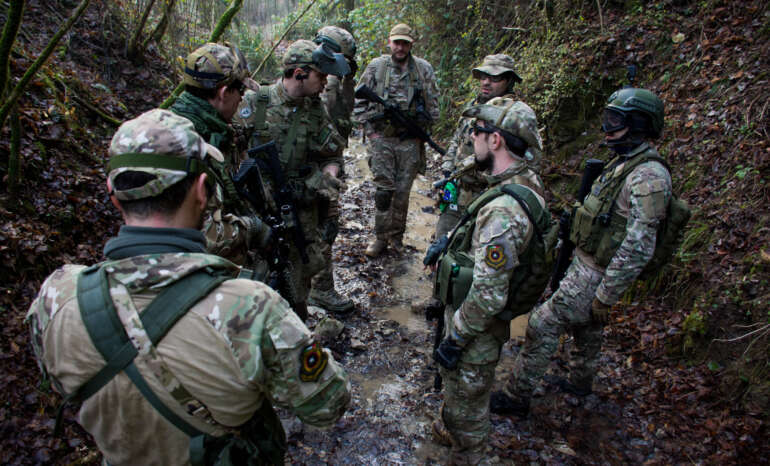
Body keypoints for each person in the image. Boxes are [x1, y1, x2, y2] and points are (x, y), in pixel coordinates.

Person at [26, 109, 351, 465]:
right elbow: (327, 406)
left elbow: (63, 386)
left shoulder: (57, 297)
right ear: (201, 191)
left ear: (114, 195)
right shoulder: (250, 307)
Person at [491, 87, 672, 416]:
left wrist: (606, 294)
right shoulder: (625, 163)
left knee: (542, 325)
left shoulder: (649, 176)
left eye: (616, 120)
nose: (608, 127)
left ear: (640, 125)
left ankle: (516, 396)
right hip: (588, 264)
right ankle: (580, 382)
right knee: (587, 328)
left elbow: (639, 246)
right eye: (608, 118)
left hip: (597, 272)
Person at [431, 97, 547, 465]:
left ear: (495, 140)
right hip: (481, 321)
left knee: (468, 417)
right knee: (462, 406)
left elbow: (488, 293)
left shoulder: (503, 212)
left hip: (476, 331)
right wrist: (448, 241)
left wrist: (456, 337)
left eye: (476, 132)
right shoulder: (520, 180)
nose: (471, 139)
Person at [234, 39, 350, 321]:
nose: (325, 82)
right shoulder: (255, 103)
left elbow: (333, 154)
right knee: (252, 289)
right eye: (320, 76)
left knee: (297, 286)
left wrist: (327, 178)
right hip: (256, 212)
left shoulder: (315, 110)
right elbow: (230, 156)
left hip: (298, 212)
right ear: (299, 74)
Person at [169, 42, 272, 266]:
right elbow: (202, 234)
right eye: (241, 92)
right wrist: (251, 228)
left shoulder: (214, 129)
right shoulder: (181, 143)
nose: (242, 100)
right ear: (224, 93)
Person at [353, 23, 440, 257]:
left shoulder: (423, 70)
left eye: (405, 43)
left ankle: (396, 238)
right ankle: (380, 238)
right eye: (396, 42)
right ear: (389, 42)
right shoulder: (376, 67)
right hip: (382, 139)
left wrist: (421, 126)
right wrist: (371, 131)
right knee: (383, 191)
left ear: (412, 44)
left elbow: (434, 108)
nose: (400, 47)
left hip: (410, 142)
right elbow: (358, 102)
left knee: (402, 193)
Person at [435, 54, 524, 241]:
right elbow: (456, 140)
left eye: (494, 78)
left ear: (508, 80)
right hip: (457, 191)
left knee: (469, 255)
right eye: (483, 76)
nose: (486, 82)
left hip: (485, 198)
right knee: (441, 246)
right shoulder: (474, 106)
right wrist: (446, 173)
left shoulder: (513, 118)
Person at [306, 26, 358, 314]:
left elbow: (346, 113)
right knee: (323, 224)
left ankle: (319, 286)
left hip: (330, 160)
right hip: (318, 166)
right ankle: (320, 289)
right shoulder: (322, 83)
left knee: (326, 224)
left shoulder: (336, 79)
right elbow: (333, 118)